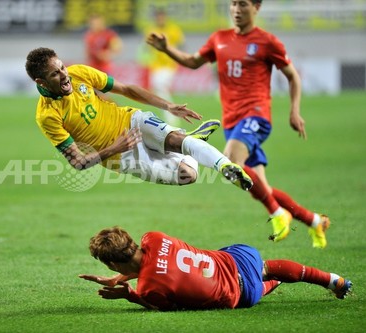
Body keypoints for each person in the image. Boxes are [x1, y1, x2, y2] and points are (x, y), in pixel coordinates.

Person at [146, 0, 330, 248]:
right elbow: (192, 62)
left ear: (256, 7)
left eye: (242, 4)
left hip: (255, 115)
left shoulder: (267, 42)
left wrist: (294, 111)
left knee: (230, 163)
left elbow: (292, 76)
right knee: (255, 184)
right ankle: (314, 221)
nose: (236, 10)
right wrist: (167, 49)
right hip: (232, 120)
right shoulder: (219, 38)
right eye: (233, 4)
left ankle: (278, 213)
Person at [25, 47, 252, 192]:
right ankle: (191, 143)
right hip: (119, 157)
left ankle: (225, 167)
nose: (64, 75)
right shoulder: (47, 115)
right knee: (188, 175)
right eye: (55, 74)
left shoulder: (79, 74)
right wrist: (115, 147)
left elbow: (126, 90)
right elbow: (78, 162)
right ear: (41, 82)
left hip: (131, 121)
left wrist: (167, 105)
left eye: (62, 67)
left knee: (174, 140)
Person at [80, 227, 352, 311]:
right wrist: (121, 276)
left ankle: (270, 283)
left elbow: (165, 304)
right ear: (129, 238)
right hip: (240, 258)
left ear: (113, 263)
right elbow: (156, 264)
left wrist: (129, 294)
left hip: (243, 297)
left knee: (256, 285)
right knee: (267, 267)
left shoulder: (149, 288)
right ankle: (334, 280)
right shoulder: (154, 238)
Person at [141, 8, 185, 126]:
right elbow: (146, 48)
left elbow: (181, 45)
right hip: (155, 65)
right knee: (159, 89)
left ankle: (171, 114)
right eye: (158, 17)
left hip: (169, 64)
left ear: (165, 17)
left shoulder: (173, 30)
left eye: (162, 17)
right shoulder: (151, 30)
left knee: (159, 85)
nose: (160, 19)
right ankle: (171, 114)